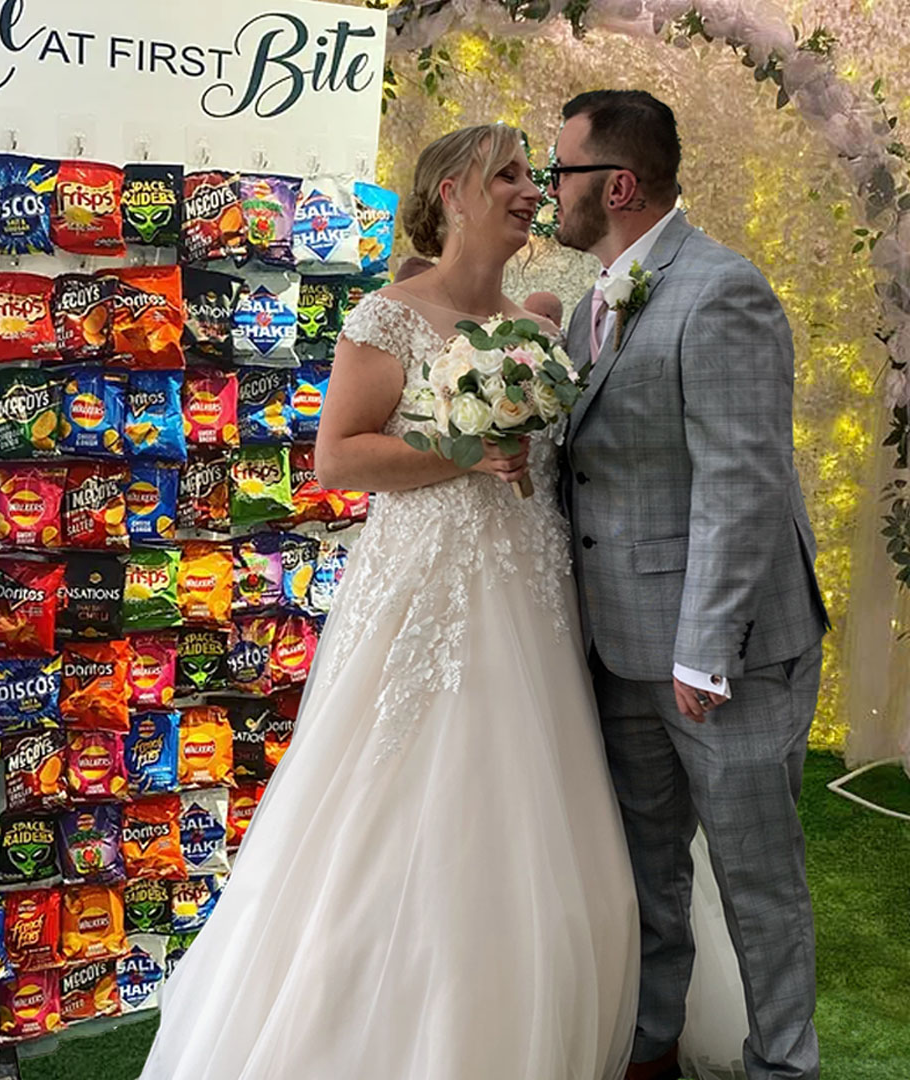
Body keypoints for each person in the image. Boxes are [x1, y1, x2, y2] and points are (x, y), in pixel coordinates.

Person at [139, 123, 642, 1079]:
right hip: (425, 593)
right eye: (509, 175)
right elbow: (338, 457)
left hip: (530, 592)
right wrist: (459, 451)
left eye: (535, 177)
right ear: (452, 192)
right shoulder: (388, 317)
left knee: (534, 806)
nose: (531, 191)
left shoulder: (541, 327)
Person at [552, 90, 830, 1080]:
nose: (551, 192)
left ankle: (782, 1068)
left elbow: (743, 483)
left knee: (758, 883)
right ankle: (649, 1049)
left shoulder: (723, 292)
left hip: (728, 658)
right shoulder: (596, 296)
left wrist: (703, 650)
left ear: (616, 185)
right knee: (647, 873)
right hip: (618, 647)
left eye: (562, 172)